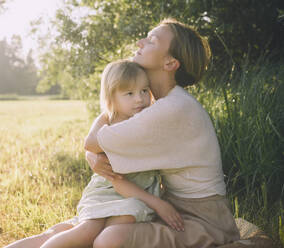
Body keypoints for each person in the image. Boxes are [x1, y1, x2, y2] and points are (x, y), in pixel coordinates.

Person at [85, 18, 241, 248]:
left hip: (205, 220)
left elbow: (95, 142)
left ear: (170, 62)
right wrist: (94, 156)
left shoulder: (172, 109)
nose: (140, 42)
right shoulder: (157, 103)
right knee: (82, 227)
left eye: (151, 40)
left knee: (109, 238)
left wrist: (94, 155)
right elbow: (101, 145)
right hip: (171, 205)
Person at [4, 60, 184, 248]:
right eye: (129, 93)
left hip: (134, 196)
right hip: (109, 191)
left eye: (144, 90)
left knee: (105, 228)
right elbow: (92, 147)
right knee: (88, 230)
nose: (139, 99)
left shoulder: (146, 118)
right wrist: (157, 203)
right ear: (111, 98)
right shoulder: (110, 121)